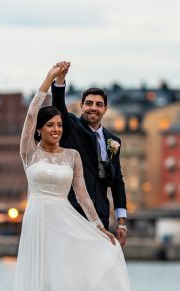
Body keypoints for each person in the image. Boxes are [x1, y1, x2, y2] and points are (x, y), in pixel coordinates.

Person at [10, 65, 140, 291]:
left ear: (106, 109)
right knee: (48, 284)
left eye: (59, 125)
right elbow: (33, 113)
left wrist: (103, 228)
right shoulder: (29, 152)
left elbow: (83, 194)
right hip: (40, 221)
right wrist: (52, 80)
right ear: (41, 129)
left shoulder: (73, 155)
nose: (57, 129)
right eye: (51, 125)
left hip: (69, 219)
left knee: (95, 265)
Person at [50, 61, 129, 246]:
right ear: (81, 106)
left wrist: (122, 222)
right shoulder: (71, 126)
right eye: (89, 103)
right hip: (72, 210)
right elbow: (59, 106)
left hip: (100, 214)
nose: (93, 107)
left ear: (105, 109)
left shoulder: (113, 141)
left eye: (99, 104)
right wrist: (60, 80)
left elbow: (117, 182)